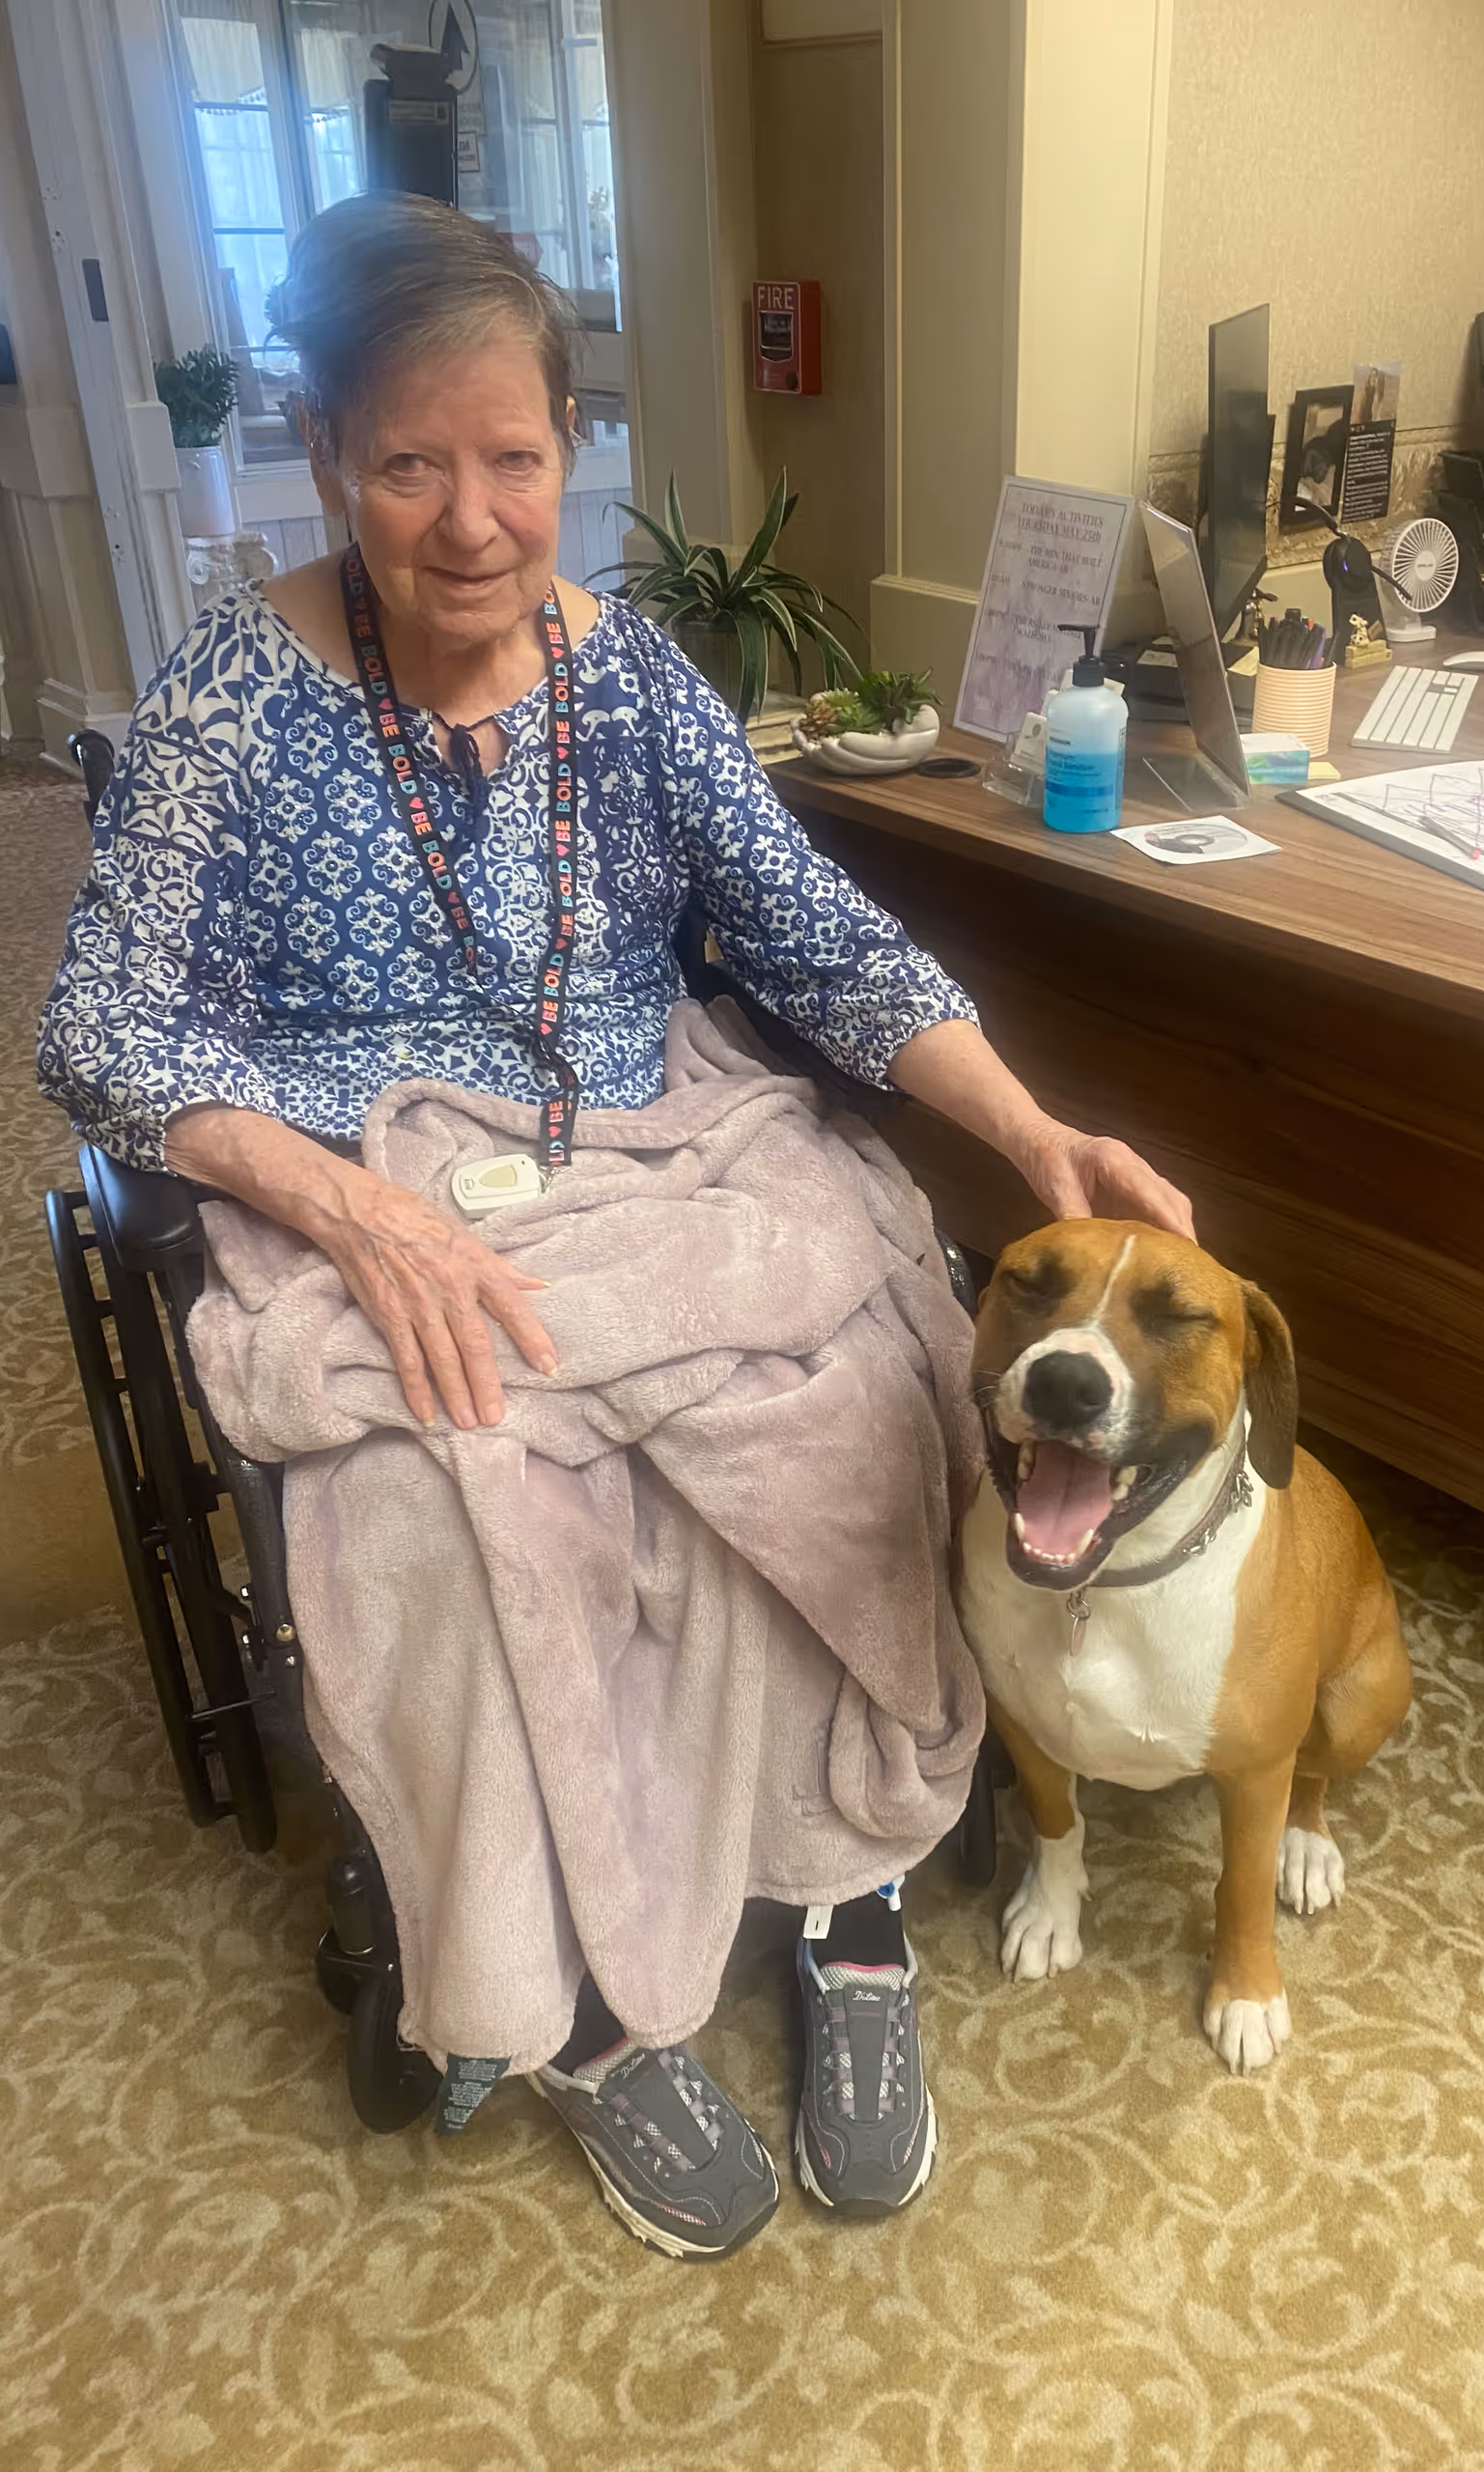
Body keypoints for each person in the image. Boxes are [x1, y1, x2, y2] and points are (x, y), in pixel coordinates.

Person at [38, 195, 1192, 2261]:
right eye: (410, 461)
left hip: (664, 1136)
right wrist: (347, 1205)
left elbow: (820, 943)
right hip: (366, 1167)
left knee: (876, 1376)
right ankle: (574, 1994)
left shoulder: (638, 682)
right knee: (454, 1483)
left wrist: (1031, 1125)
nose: (471, 518)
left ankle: (842, 1902)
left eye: (514, 458)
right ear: (328, 459)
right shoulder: (230, 698)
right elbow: (102, 1027)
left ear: (573, 451)